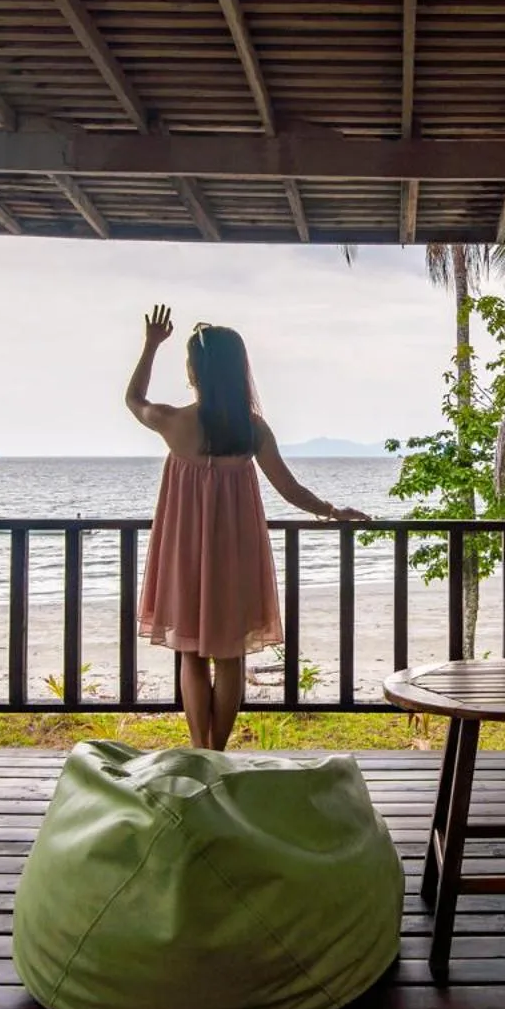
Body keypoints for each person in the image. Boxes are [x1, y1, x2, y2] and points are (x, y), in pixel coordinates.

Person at [127, 305, 367, 750]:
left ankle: (202, 753)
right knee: (230, 655)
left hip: (185, 552)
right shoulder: (251, 429)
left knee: (191, 654)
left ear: (195, 371)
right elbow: (290, 489)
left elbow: (134, 400)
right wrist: (333, 511)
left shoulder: (175, 423)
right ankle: (215, 754)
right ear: (239, 372)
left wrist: (150, 346)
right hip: (236, 555)